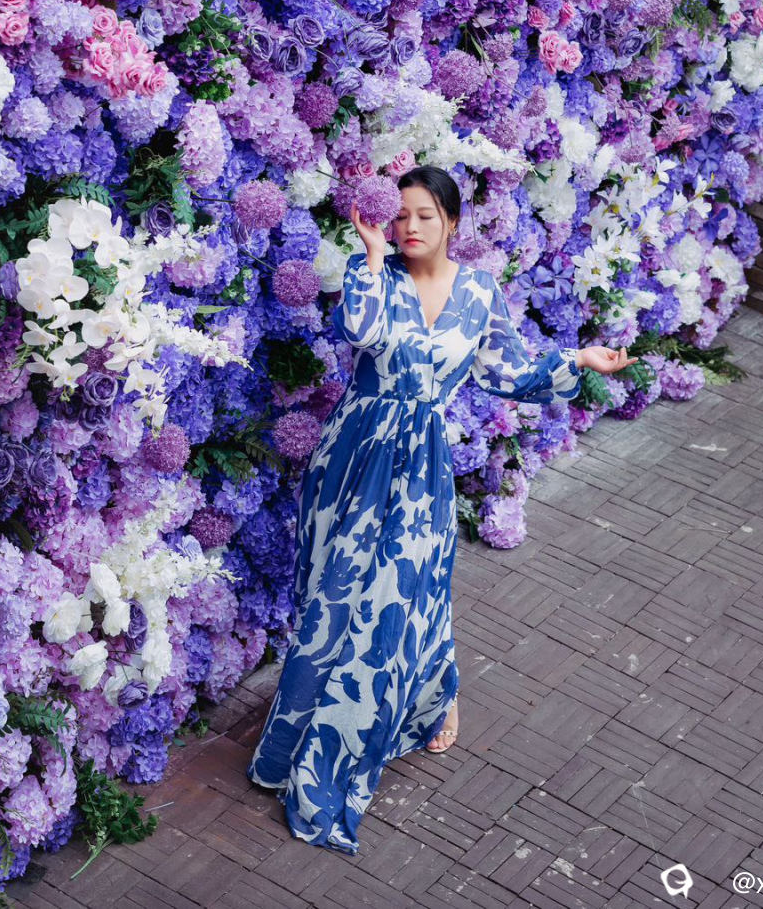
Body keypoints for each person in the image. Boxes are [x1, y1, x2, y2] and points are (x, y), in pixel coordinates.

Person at [245, 165, 637, 854]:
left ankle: (423, 697)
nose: (410, 226)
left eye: (424, 214)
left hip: (421, 465)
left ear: (452, 222)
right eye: (399, 215)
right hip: (352, 458)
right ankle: (305, 733)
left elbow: (508, 373)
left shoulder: (479, 293)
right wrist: (372, 255)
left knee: (407, 591)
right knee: (334, 595)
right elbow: (359, 330)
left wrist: (578, 359)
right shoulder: (374, 275)